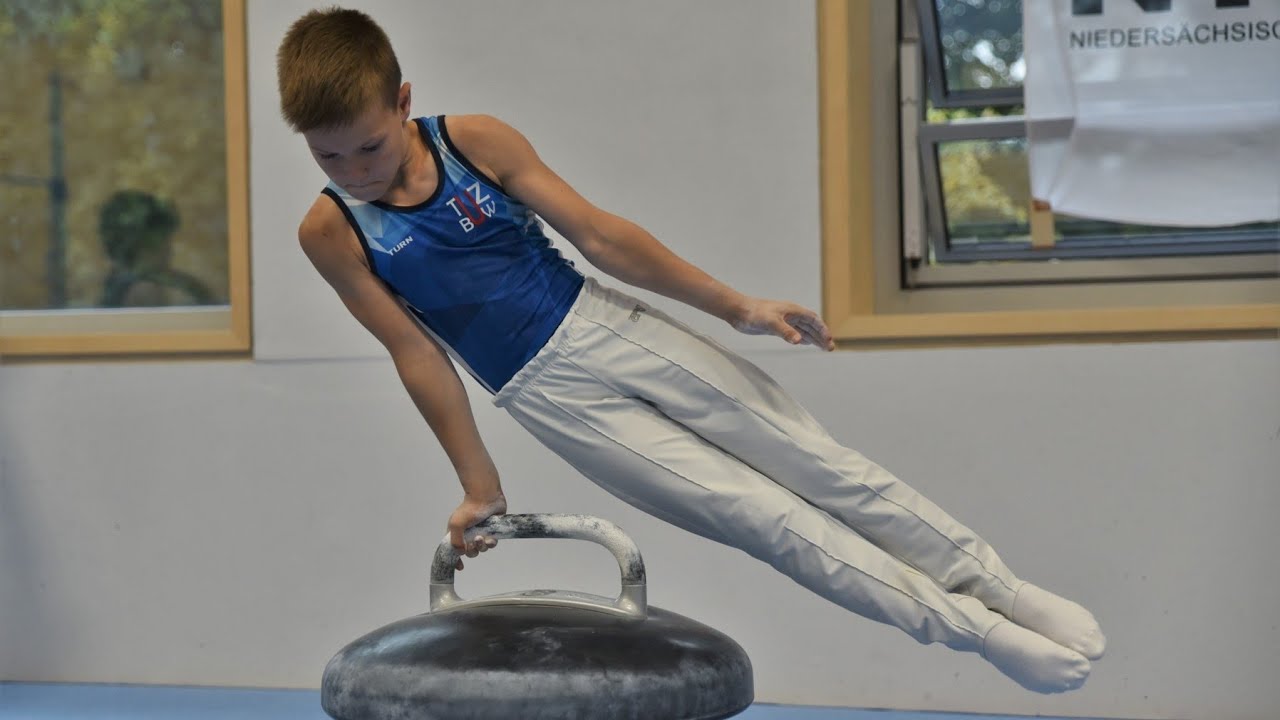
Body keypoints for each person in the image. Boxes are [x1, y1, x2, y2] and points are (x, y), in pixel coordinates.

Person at [276, 7, 1105, 694]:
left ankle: (1001, 589)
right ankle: (976, 633)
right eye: (328, 156)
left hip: (614, 326)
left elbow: (603, 238)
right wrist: (478, 483)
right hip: (547, 398)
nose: (355, 172)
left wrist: (736, 305)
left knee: (819, 465)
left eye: (370, 147)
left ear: (403, 100)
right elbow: (417, 353)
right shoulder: (332, 231)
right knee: (766, 519)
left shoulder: (474, 142)